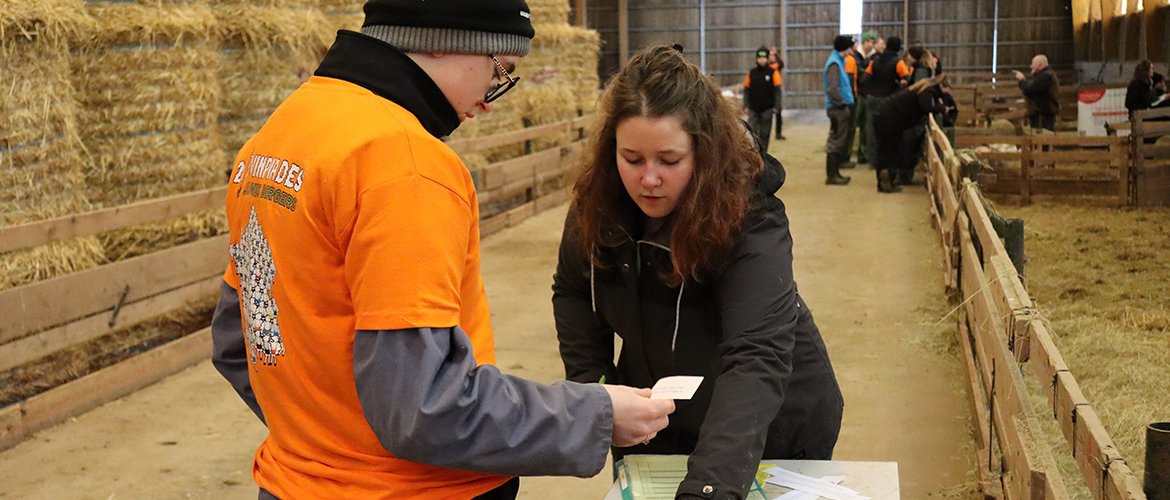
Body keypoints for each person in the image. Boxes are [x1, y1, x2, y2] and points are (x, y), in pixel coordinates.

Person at [209, 1, 675, 499]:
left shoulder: (282, 133)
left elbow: (240, 339)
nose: (491, 99)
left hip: (292, 482)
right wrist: (595, 414)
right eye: (500, 70)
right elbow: (423, 406)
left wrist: (322, 433)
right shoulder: (403, 165)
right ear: (438, 37)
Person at [553, 44, 843, 500]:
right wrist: (600, 396)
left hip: (764, 427)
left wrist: (708, 488)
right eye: (632, 159)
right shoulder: (597, 205)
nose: (649, 179)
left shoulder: (751, 216)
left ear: (704, 153)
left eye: (670, 161)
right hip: (661, 417)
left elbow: (757, 354)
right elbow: (572, 291)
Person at [871, 74, 946, 193]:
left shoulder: (921, 87)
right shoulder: (929, 91)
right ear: (942, 86)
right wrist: (941, 108)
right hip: (891, 119)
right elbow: (927, 106)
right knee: (896, 150)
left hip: (883, 114)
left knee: (885, 149)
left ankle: (883, 180)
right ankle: (888, 176)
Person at [862, 36, 910, 172]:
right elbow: (906, 79)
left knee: (871, 130)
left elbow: (865, 78)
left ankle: (873, 161)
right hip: (888, 101)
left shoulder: (875, 60)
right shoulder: (898, 62)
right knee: (888, 132)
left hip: (872, 99)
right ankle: (887, 162)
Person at [823, 35, 857, 185]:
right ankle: (832, 175)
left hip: (838, 107)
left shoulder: (838, 62)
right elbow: (832, 88)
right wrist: (842, 104)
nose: (851, 50)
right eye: (850, 47)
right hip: (838, 108)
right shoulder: (834, 64)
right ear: (845, 48)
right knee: (836, 140)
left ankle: (835, 172)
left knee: (838, 139)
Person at [743, 46, 783, 151]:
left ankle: (764, 157)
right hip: (753, 109)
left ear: (767, 58)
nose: (762, 60)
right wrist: (745, 105)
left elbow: (777, 91)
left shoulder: (773, 73)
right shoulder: (751, 73)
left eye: (764, 57)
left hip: (767, 109)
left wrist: (777, 106)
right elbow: (746, 90)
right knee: (752, 133)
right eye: (759, 57)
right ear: (757, 59)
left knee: (765, 135)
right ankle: (754, 155)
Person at [1013, 55, 1060, 132]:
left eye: (1033, 64)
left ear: (1039, 64)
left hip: (1042, 114)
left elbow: (1029, 90)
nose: (1031, 66)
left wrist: (1022, 80)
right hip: (1042, 113)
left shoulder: (1045, 76)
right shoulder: (1045, 75)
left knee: (1041, 138)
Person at [852, 31, 879, 165]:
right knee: (858, 123)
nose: (870, 44)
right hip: (859, 94)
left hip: (867, 93)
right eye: (869, 41)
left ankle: (864, 153)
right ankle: (859, 152)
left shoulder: (873, 56)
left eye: (873, 42)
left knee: (866, 126)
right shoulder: (857, 55)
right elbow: (862, 72)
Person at [769, 46, 787, 140]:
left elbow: (781, 64)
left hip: (776, 92)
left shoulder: (776, 66)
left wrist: (776, 55)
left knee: (778, 112)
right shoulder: (767, 67)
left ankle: (778, 133)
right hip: (768, 92)